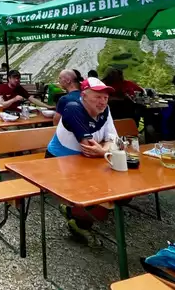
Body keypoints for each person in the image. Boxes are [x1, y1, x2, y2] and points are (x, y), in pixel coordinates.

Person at [46, 77, 118, 246]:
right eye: (97, 97)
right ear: (84, 95)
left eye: (105, 97)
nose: (102, 101)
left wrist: (104, 149)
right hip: (58, 163)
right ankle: (77, 219)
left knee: (119, 189)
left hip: (86, 163)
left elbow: (114, 139)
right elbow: (89, 148)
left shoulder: (105, 110)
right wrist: (105, 149)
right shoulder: (73, 109)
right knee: (103, 193)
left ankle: (76, 213)